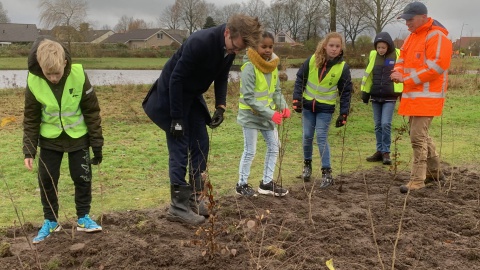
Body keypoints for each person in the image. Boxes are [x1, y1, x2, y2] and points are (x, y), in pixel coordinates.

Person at [142, 14, 262, 225]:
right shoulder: (200, 42)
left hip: (192, 96)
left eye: (239, 50)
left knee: (200, 142)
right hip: (172, 95)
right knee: (180, 145)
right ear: (227, 32)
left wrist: (220, 106)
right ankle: (178, 206)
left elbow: (221, 77)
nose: (235, 52)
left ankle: (196, 197)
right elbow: (176, 79)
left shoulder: (229, 48)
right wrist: (177, 118)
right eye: (236, 47)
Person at [23, 37, 104, 244]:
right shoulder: (33, 80)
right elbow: (31, 117)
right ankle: (51, 222)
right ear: (40, 67)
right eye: (47, 74)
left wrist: (97, 144)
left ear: (65, 64)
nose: (52, 78)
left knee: (82, 177)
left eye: (56, 73)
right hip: (49, 139)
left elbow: (92, 111)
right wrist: (29, 151)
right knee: (47, 180)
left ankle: (84, 218)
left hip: (79, 137)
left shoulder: (78, 74)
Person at [391, 1, 452, 193]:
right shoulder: (411, 37)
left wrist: (405, 78)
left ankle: (417, 180)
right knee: (421, 136)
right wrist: (398, 72)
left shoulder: (437, 36)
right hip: (412, 96)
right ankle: (434, 172)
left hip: (428, 98)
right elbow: (400, 59)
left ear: (423, 17)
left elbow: (436, 67)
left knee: (417, 138)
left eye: (410, 19)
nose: (407, 23)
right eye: (405, 19)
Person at [292, 32, 353, 188]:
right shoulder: (312, 60)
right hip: (307, 106)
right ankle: (307, 166)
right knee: (307, 136)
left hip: (325, 109)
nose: (334, 49)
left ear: (341, 49)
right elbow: (300, 78)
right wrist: (297, 99)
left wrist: (344, 113)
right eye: (331, 45)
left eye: (337, 46)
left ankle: (327, 173)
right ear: (325, 46)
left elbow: (346, 92)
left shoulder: (343, 68)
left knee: (321, 137)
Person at [236, 32, 290, 197]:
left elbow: (276, 91)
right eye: (263, 46)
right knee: (250, 151)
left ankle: (266, 183)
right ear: (254, 47)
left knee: (275, 146)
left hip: (267, 116)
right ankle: (241, 185)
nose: (267, 50)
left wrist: (283, 106)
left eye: (270, 46)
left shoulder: (272, 66)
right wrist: (271, 114)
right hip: (250, 115)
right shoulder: (249, 68)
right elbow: (249, 98)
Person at [361, 32, 403, 166]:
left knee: (386, 124)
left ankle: (386, 152)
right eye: (378, 47)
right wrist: (365, 92)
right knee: (378, 125)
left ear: (388, 46)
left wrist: (402, 93)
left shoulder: (398, 54)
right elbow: (368, 75)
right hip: (375, 96)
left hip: (390, 96)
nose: (380, 50)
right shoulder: (373, 55)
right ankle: (379, 151)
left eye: (383, 47)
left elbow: (402, 73)